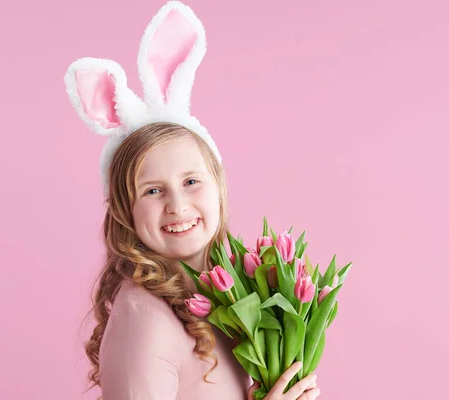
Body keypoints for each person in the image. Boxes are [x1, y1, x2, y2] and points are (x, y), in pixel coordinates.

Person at [64, 2, 321, 399]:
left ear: (218, 185)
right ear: (124, 210)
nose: (177, 205)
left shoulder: (216, 300)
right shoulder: (143, 318)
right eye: (152, 190)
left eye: (191, 181)